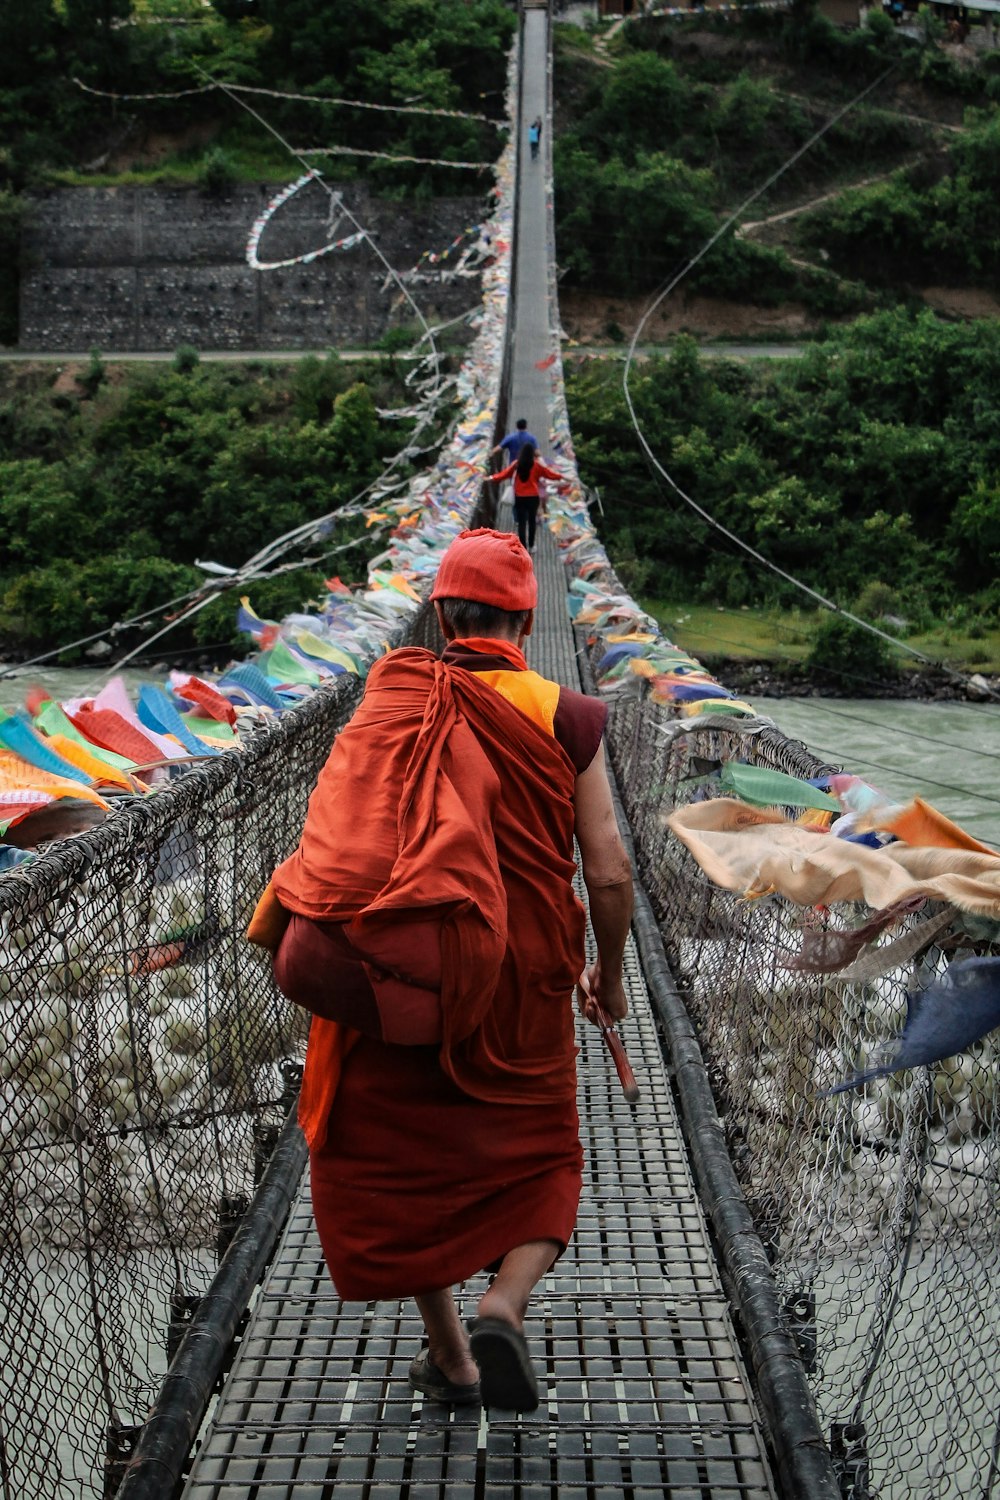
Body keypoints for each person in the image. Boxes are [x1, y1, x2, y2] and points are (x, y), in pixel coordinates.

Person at [265, 528, 633, 1413]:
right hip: (524, 976)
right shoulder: (567, 714)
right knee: (544, 1157)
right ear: (526, 621)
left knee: (406, 1161)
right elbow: (610, 870)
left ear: (437, 613)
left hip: (404, 971)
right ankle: (504, 1303)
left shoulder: (392, 699)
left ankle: (455, 1362)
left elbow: (347, 832)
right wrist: (611, 977)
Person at [488, 441, 568, 552]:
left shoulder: (516, 464)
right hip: (533, 497)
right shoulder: (536, 465)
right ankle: (531, 545)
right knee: (532, 521)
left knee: (521, 523)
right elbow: (549, 474)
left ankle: (523, 547)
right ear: (532, 454)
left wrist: (491, 478)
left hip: (520, 497)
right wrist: (562, 476)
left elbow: (504, 474)